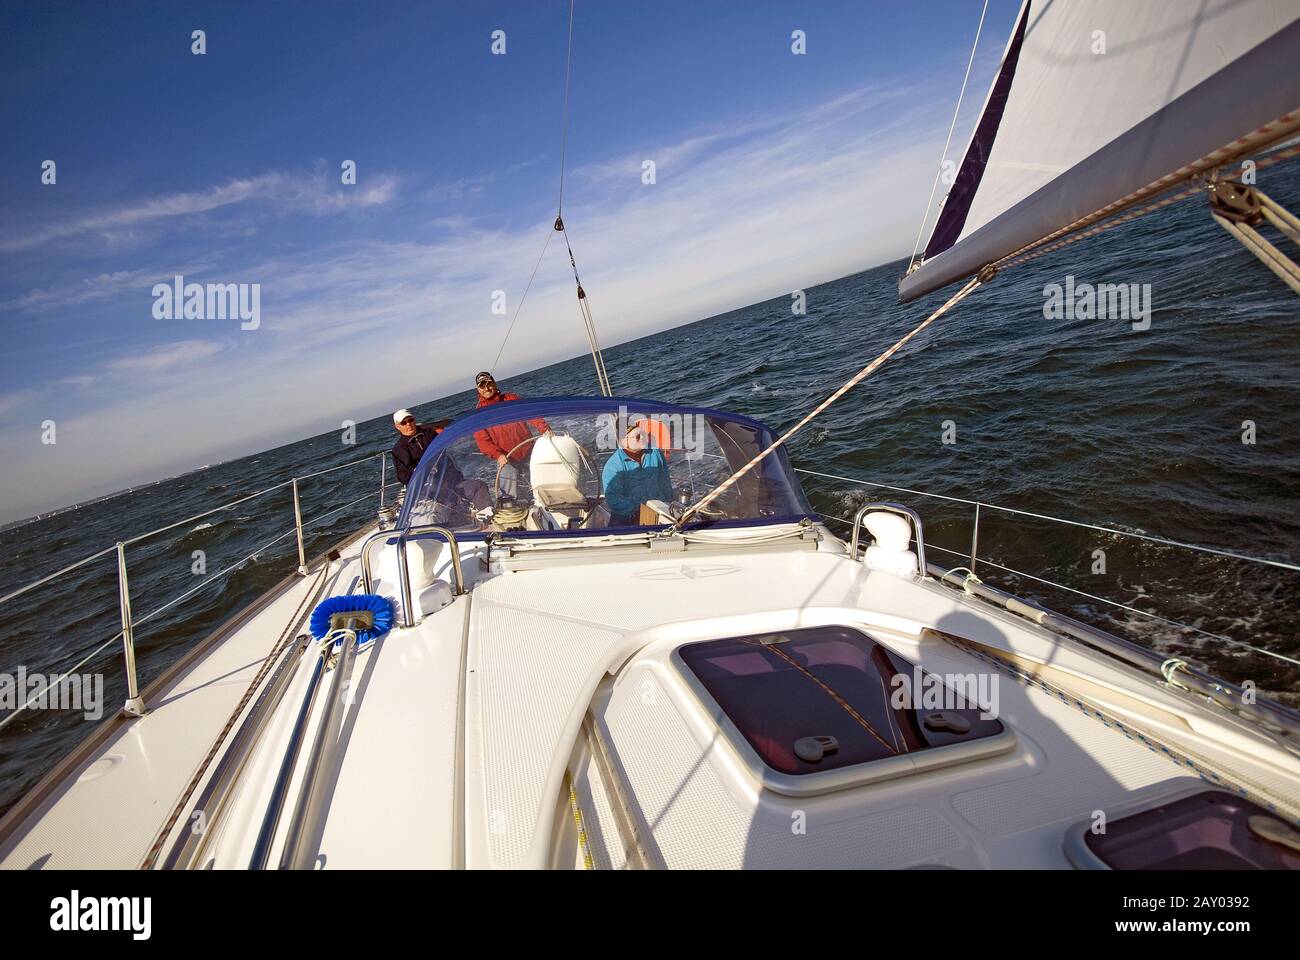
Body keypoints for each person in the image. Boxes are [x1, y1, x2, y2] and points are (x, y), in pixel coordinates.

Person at [390, 408, 489, 515]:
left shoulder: (429, 433)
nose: (408, 424)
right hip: (431, 491)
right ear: (397, 426)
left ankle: (488, 514)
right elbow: (403, 477)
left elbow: (447, 447)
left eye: (410, 420)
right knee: (452, 505)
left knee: (479, 486)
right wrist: (423, 470)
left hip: (454, 481)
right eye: (404, 423)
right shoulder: (399, 449)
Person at [471, 372, 550, 499]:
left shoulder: (511, 399)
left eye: (489, 384)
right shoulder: (478, 414)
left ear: (494, 383)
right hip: (506, 459)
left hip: (528, 451)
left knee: (545, 484)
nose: (486, 388)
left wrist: (544, 429)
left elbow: (531, 414)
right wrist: (498, 455)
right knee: (510, 498)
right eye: (482, 386)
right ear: (478, 390)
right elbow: (483, 442)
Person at [601, 420, 672, 526]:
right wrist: (636, 511)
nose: (643, 438)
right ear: (624, 441)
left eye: (644, 434)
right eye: (638, 436)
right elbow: (613, 498)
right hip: (626, 521)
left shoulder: (655, 453)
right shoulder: (613, 466)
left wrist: (669, 505)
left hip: (658, 515)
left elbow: (665, 482)